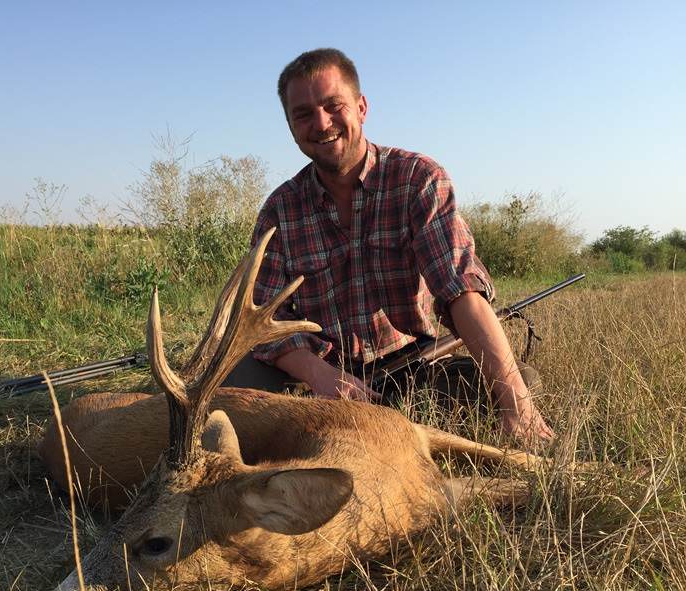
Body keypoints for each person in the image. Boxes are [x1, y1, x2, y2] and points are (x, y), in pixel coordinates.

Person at [223, 48, 554, 444]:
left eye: (334, 106)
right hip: (318, 378)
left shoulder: (418, 179)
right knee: (225, 400)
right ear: (291, 127)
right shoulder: (279, 211)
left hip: (412, 365)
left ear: (361, 107)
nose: (322, 123)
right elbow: (268, 325)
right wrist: (320, 376)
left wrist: (517, 406)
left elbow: (460, 290)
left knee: (518, 386)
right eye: (304, 114)